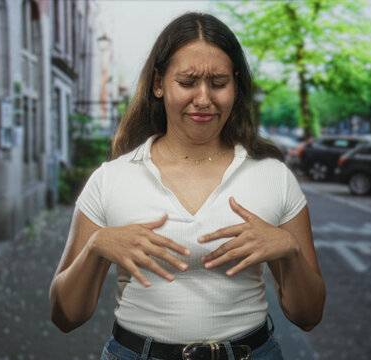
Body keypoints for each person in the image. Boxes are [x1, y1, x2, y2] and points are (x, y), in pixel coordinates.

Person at [49, 12, 326, 360]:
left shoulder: (273, 176)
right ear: (158, 83)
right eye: (187, 81)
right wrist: (95, 246)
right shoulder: (111, 179)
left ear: (236, 85)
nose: (203, 98)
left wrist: (290, 248)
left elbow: (309, 316)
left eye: (219, 83)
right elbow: (65, 316)